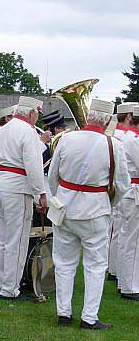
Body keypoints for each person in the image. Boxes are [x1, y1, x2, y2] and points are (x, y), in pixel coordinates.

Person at [48, 98, 130, 329]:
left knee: (64, 262)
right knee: (95, 265)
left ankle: (63, 313)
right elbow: (122, 185)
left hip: (64, 210)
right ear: (107, 120)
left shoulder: (66, 139)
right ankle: (89, 317)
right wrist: (109, 204)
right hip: (95, 212)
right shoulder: (114, 145)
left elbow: (53, 176)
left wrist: (60, 198)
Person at [0, 95, 47, 300]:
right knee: (16, 239)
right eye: (37, 114)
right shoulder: (28, 132)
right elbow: (33, 166)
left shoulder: (2, 130)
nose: (37, 118)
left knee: (0, 237)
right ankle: (10, 288)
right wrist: (40, 193)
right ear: (31, 113)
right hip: (15, 188)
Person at [107, 103, 136, 280]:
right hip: (128, 187)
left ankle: (114, 269)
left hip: (122, 187)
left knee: (118, 231)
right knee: (123, 233)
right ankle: (119, 273)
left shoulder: (118, 135)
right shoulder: (124, 137)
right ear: (128, 117)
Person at [114, 102, 139, 300]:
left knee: (126, 238)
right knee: (132, 240)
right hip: (134, 190)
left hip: (130, 191)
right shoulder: (133, 140)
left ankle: (124, 281)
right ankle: (130, 286)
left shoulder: (129, 138)